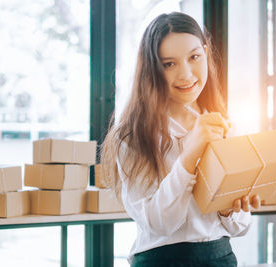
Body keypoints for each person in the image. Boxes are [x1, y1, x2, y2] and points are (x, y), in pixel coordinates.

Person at [101, 12, 261, 267]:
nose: (186, 74)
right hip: (161, 259)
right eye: (169, 64)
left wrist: (229, 208)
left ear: (206, 53)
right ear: (151, 69)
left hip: (220, 257)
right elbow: (159, 223)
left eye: (194, 57)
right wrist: (190, 155)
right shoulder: (132, 135)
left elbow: (240, 227)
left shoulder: (223, 125)